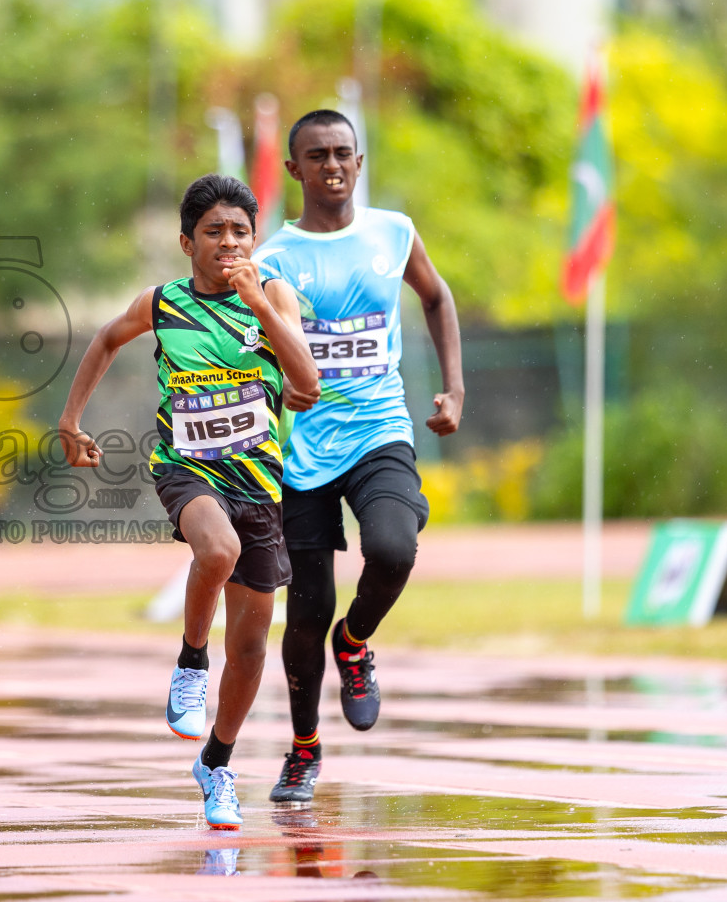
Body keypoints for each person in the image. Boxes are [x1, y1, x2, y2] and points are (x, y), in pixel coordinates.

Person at [59, 174, 319, 829]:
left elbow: (307, 383)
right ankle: (191, 660)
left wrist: (260, 308)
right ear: (187, 242)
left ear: (254, 238)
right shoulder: (163, 304)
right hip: (186, 469)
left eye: (240, 231)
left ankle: (218, 764)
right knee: (217, 549)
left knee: (255, 648)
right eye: (213, 232)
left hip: (259, 482)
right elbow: (106, 339)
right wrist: (71, 420)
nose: (228, 242)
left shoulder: (275, 294)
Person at [255, 109, 463, 805]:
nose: (332, 165)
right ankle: (303, 750)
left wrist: (453, 389)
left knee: (395, 549)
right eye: (317, 155)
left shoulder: (393, 232)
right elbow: (255, 345)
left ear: (360, 161)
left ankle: (357, 639)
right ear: (295, 170)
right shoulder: (274, 259)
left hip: (380, 429)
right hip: (304, 452)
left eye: (343, 152)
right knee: (304, 612)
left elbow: (437, 297)